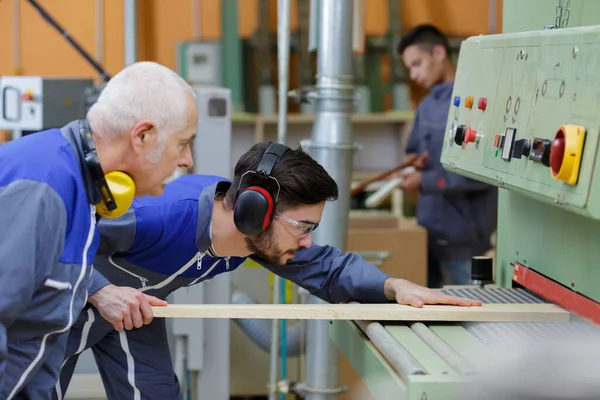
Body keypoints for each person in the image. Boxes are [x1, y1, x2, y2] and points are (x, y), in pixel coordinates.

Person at [54, 141, 482, 399]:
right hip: (65, 297)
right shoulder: (160, 214)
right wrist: (98, 290)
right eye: (303, 227)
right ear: (256, 210)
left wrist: (395, 287)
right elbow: (53, 236)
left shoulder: (250, 236)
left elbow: (328, 269)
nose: (307, 240)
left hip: (134, 311)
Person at [0, 61, 197, 399]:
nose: (187, 160)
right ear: (143, 136)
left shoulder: (82, 190)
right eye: (182, 143)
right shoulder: (45, 188)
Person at [396, 24, 498, 288]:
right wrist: (416, 163)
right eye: (409, 68)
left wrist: (424, 181)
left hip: (463, 241)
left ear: (439, 52)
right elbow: (415, 152)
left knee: (472, 318)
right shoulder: (427, 105)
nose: (414, 74)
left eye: (417, 63)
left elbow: (482, 175)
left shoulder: (476, 103)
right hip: (428, 234)